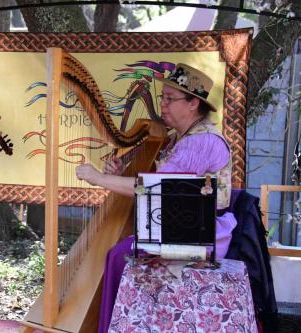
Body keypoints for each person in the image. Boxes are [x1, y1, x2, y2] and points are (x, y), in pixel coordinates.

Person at [75, 63, 237, 333]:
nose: (162, 105)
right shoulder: (179, 138)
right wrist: (122, 173)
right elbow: (159, 183)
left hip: (200, 232)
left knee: (120, 255)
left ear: (193, 103)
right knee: (118, 253)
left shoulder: (201, 142)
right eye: (163, 97)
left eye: (170, 99)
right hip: (178, 226)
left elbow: (158, 188)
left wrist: (100, 179)